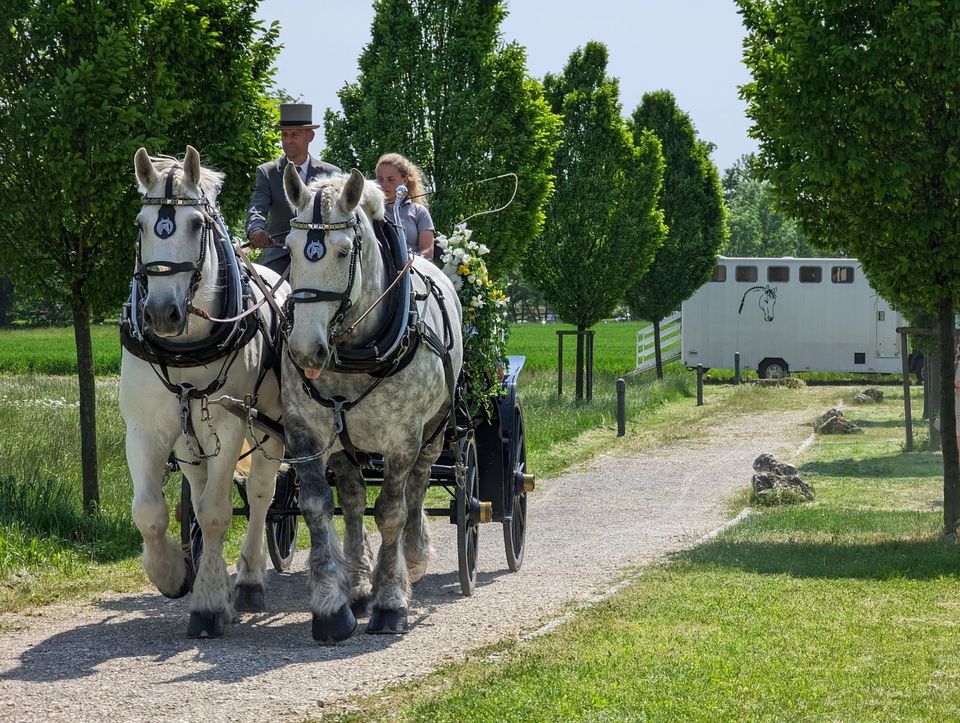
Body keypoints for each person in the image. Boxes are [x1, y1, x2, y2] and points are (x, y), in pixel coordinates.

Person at [245, 103, 341, 276]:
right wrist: (256, 228)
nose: (288, 140)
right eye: (285, 134)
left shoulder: (331, 174)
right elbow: (257, 207)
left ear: (310, 136)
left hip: (321, 252)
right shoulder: (267, 172)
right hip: (280, 253)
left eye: (295, 134)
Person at [375, 153, 435, 259]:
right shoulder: (371, 211)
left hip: (412, 269)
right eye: (380, 179)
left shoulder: (419, 211)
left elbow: (427, 251)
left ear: (405, 181)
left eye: (390, 179)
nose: (383, 185)